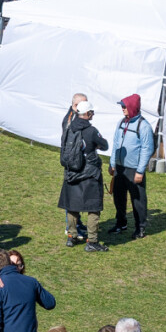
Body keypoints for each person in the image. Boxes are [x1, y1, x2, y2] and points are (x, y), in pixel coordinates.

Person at [58, 99, 109, 252]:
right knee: (93, 208)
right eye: (91, 112)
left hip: (71, 174)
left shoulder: (68, 128)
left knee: (72, 207)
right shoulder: (92, 131)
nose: (92, 115)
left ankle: (72, 237)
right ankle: (92, 241)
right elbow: (105, 145)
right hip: (89, 175)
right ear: (87, 114)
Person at [109, 94, 156, 239]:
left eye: (124, 106)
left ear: (132, 107)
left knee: (138, 200)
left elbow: (147, 149)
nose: (122, 109)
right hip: (120, 168)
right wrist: (112, 163)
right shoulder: (121, 122)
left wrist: (140, 171)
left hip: (134, 169)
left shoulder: (144, 126)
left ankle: (140, 228)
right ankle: (120, 223)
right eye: (122, 106)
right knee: (118, 197)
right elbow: (116, 143)